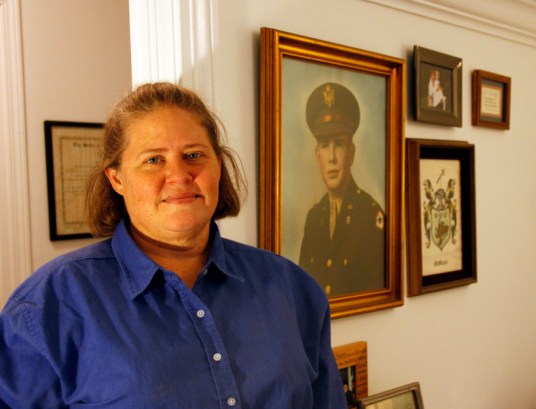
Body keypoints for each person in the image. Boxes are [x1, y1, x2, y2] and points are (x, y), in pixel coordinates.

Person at [0, 82, 346, 408]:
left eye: (194, 155)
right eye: (153, 160)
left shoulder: (293, 289)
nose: (180, 175)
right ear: (117, 178)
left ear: (218, 167)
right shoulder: (47, 307)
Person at [299, 82, 385, 297]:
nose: (332, 158)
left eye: (338, 144)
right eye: (325, 146)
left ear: (351, 153)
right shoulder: (314, 218)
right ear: (317, 155)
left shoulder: (370, 215)